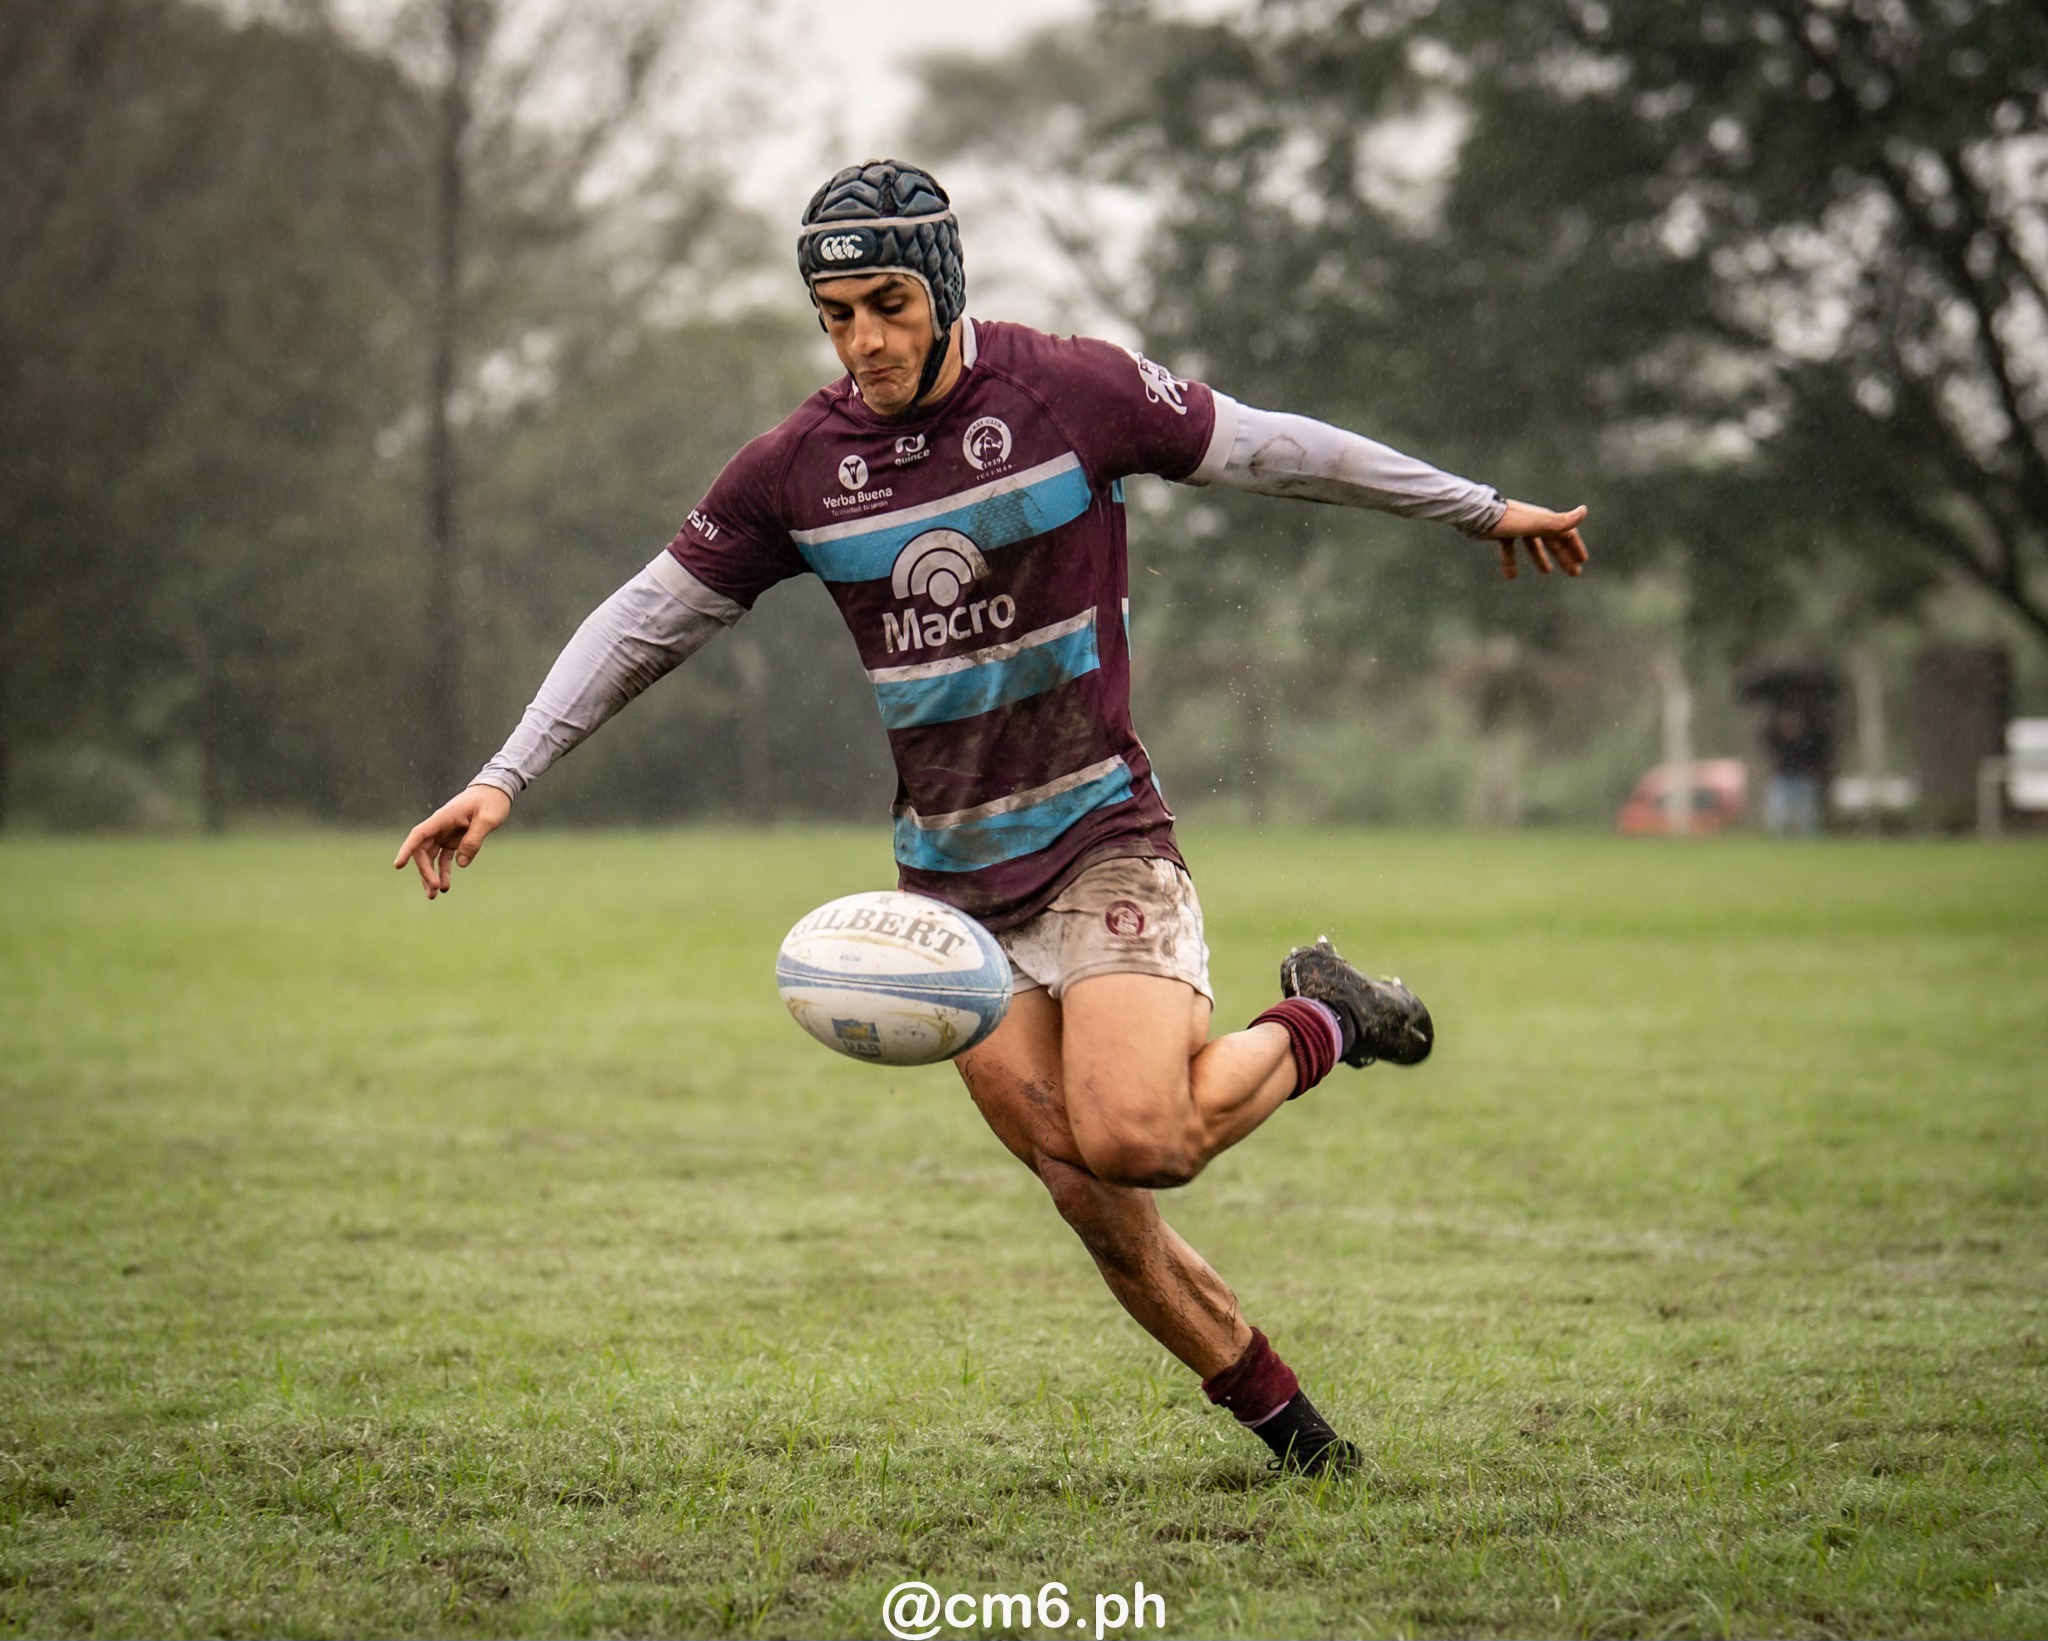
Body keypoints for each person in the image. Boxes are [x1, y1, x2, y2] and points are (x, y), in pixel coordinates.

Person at [395, 160, 1589, 1474]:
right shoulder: (798, 467)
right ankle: (1297, 1437)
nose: (864, 340)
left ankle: (1326, 1014)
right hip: (951, 897)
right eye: (835, 314)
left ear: (945, 282)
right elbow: (645, 617)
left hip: (1101, 844)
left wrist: (1475, 505)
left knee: (1142, 1136)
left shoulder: (1066, 392)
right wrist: (506, 772)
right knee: (1088, 1190)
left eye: (888, 303)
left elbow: (1275, 448)